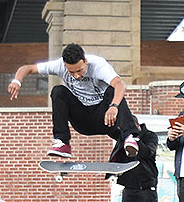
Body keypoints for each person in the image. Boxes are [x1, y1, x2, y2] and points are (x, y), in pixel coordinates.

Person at [8, 43, 141, 159]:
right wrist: (17, 81)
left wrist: (114, 106)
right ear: (65, 65)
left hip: (105, 118)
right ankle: (62, 142)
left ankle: (130, 137)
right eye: (72, 72)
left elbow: (120, 84)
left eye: (80, 70)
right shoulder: (58, 65)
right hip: (82, 121)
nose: (77, 76)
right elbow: (27, 68)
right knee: (58, 91)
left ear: (85, 61)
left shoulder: (98, 65)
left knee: (112, 90)